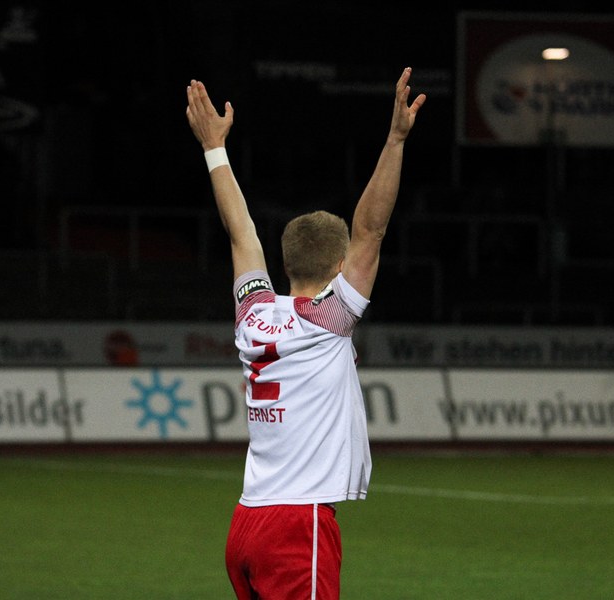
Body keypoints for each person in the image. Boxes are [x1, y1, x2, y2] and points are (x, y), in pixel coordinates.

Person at [186, 67, 425, 599]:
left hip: (247, 521)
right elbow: (371, 230)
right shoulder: (330, 319)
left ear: (285, 264)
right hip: (296, 525)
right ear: (340, 267)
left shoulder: (253, 314)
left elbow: (240, 232)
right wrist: (395, 141)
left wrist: (214, 149)